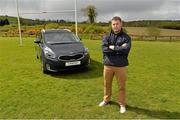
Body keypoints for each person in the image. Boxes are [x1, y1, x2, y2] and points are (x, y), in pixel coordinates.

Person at [99, 16, 131, 113]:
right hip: (108, 65)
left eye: (117, 24)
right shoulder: (107, 36)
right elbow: (104, 49)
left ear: (121, 24)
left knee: (121, 86)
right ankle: (106, 100)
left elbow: (126, 50)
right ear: (111, 25)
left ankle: (122, 104)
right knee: (107, 84)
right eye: (113, 24)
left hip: (121, 66)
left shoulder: (126, 37)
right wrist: (119, 48)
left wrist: (112, 47)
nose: (115, 26)